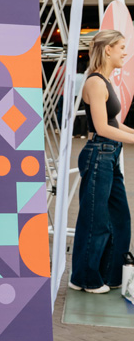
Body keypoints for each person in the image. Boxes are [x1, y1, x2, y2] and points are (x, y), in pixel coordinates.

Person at [69, 29, 132, 294]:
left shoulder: (105, 81)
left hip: (109, 155)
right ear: (108, 49)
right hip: (99, 155)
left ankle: (111, 274)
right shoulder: (95, 82)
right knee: (96, 220)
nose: (125, 53)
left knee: (120, 219)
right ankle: (84, 279)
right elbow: (102, 128)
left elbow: (114, 123)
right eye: (121, 47)